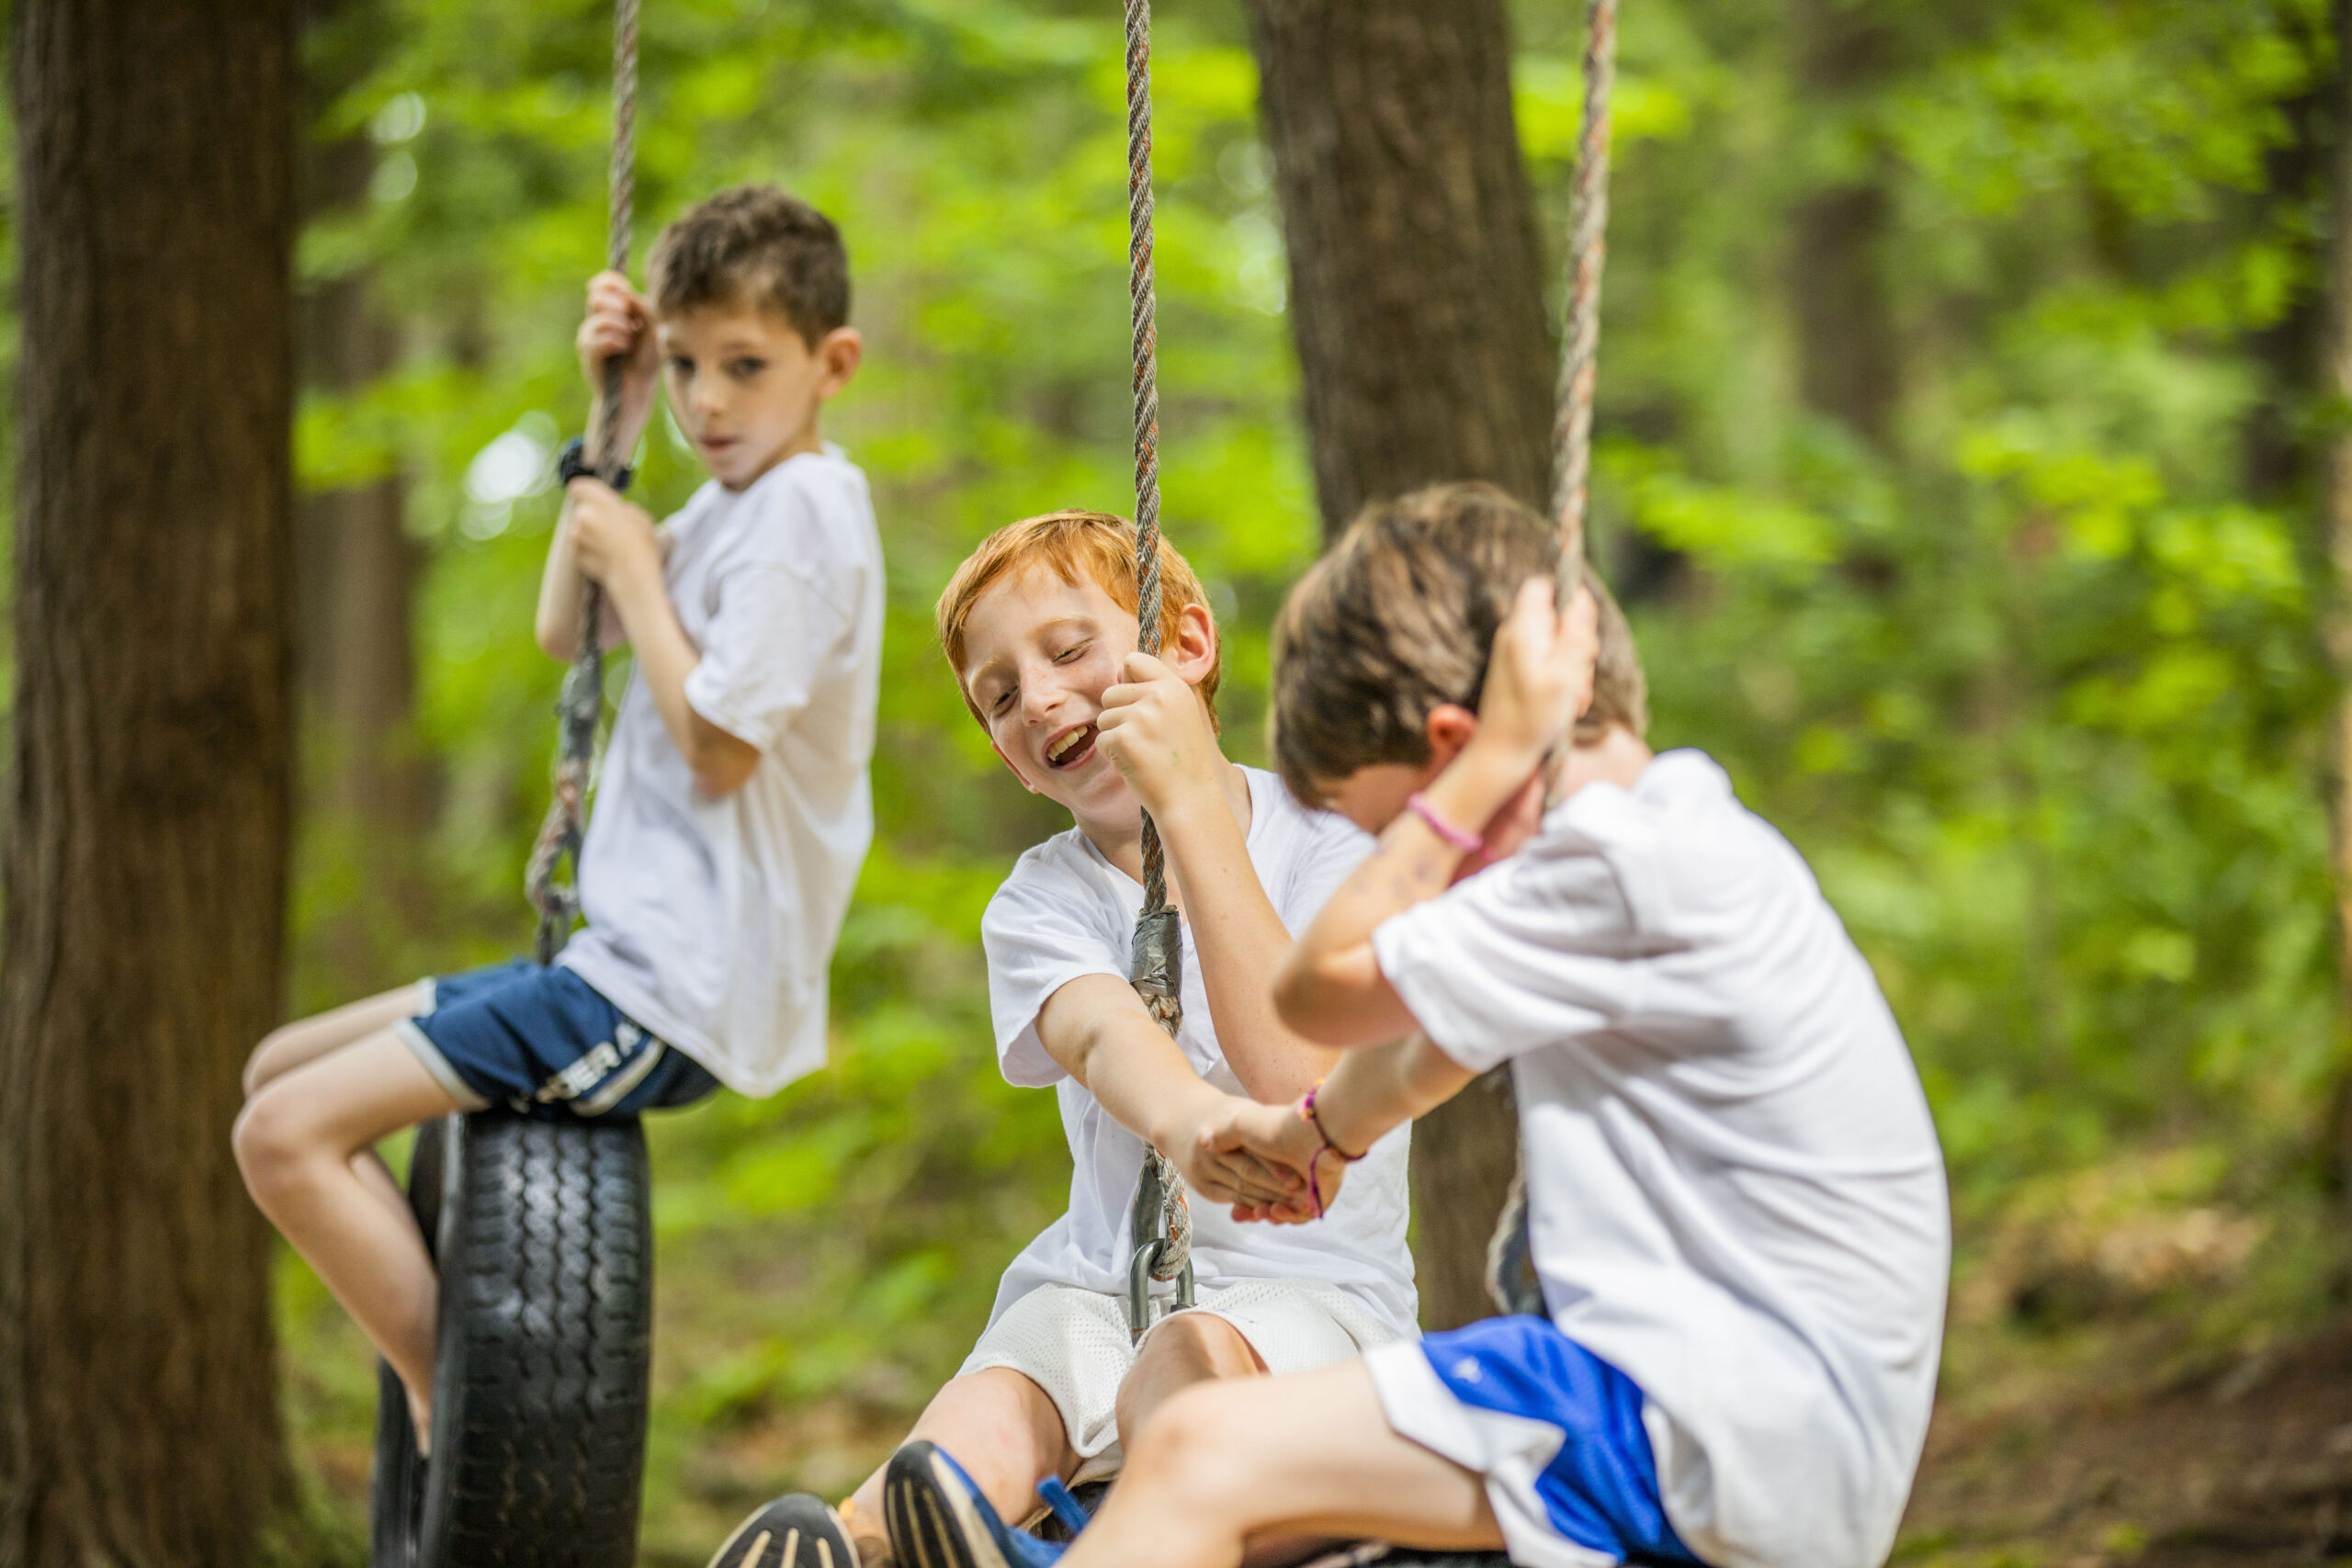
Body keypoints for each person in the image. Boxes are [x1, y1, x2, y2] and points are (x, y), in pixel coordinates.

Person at [902, 482, 1951, 1568]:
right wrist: (1320, 1140)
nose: (1421, 872)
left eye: (1397, 830)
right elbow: (1419, 1054)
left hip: (1709, 1407)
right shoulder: (1663, 843)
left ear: (1459, 754)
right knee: (1220, 1459)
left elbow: (1314, 1001)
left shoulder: (1614, 864)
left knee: (1200, 1450)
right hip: (1748, 1418)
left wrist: (1475, 776)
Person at [232, 184, 883, 1454]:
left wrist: (641, 569)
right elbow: (564, 628)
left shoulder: (807, 511)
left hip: (668, 987)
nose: (709, 402)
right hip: (610, 961)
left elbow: (720, 750)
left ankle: (464, 1414)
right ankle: (450, 1352)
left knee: (281, 1132)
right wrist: (616, 418)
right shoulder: (726, 502)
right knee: (277, 1073)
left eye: (744, 367)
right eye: (686, 366)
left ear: (832, 364)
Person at [707, 511, 1419, 1568]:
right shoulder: (1040, 897)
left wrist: (1189, 808)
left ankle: (1108, 1545)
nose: (1036, 697)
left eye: (1072, 651)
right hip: (1099, 1281)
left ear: (1182, 646)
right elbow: (1093, 1028)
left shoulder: (1330, 842)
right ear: (1014, 761)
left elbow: (1298, 1075)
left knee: (1185, 1363)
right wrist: (1189, 1122)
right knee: (986, 1411)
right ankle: (867, 1546)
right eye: (998, 697)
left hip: (1309, 1299)